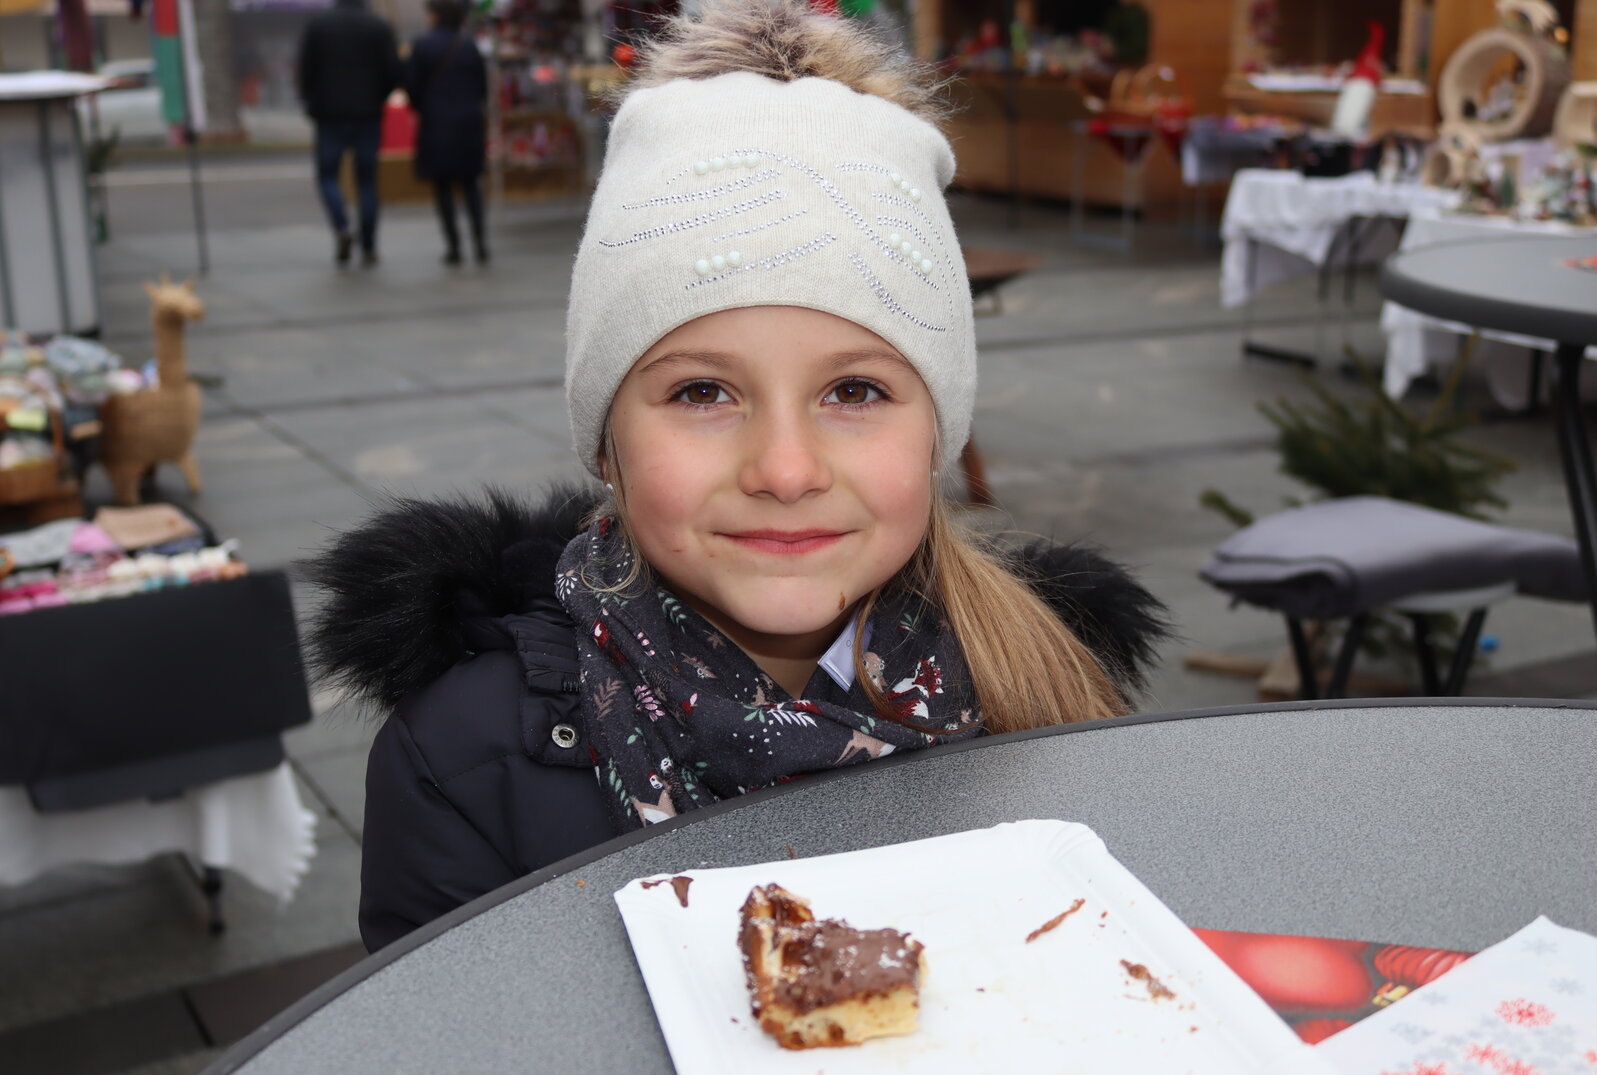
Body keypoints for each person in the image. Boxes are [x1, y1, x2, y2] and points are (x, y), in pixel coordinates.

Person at [309, 0, 1170, 953]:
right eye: (703, 392)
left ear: (938, 434)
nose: (786, 470)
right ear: (607, 443)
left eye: (854, 390)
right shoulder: (467, 764)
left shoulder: (1049, 691)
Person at [296, 0, 401, 267]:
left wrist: (311, 102)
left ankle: (342, 226)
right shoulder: (378, 26)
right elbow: (393, 71)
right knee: (367, 181)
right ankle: (369, 244)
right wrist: (378, 98)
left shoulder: (319, 26)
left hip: (329, 114)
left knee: (327, 176)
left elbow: (306, 70)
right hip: (367, 113)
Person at [404, 0, 489, 265]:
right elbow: (482, 87)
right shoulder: (469, 45)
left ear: (436, 16)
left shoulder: (422, 45)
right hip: (468, 124)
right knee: (471, 185)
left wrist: (425, 106)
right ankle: (480, 243)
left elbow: (411, 86)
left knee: (443, 188)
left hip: (436, 124)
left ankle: (454, 247)